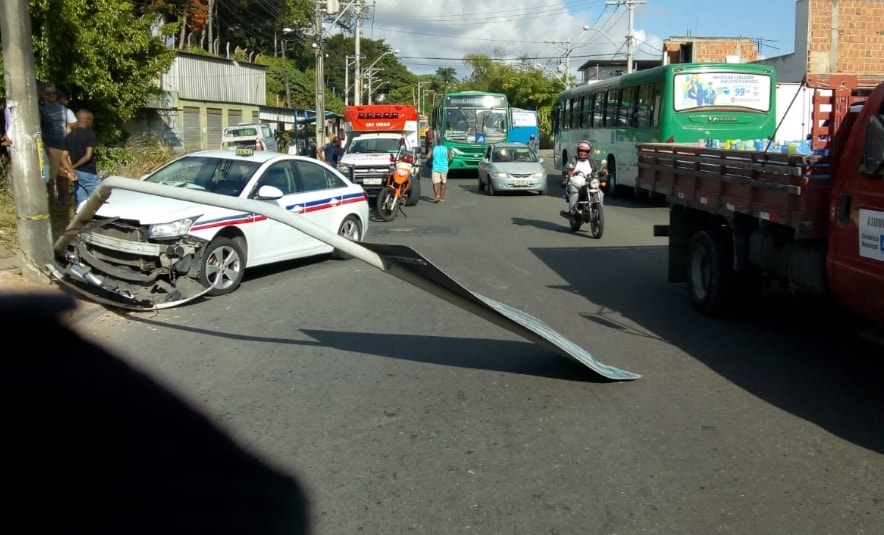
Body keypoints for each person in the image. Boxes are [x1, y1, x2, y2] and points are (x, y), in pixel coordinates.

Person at [39, 82, 69, 205]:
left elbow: (66, 126)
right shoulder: (41, 109)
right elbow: (38, 128)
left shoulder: (62, 108)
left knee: (65, 176)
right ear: (43, 94)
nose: (52, 95)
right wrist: (43, 145)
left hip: (64, 146)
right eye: (48, 93)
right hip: (51, 147)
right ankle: (52, 204)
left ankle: (65, 203)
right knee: (50, 178)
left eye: (54, 93)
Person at [62, 109, 100, 205]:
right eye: (92, 120)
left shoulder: (69, 136)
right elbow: (88, 156)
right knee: (100, 199)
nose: (92, 123)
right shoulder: (90, 134)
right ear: (87, 120)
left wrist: (71, 170)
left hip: (77, 174)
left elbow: (63, 157)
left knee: (81, 201)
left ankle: (80, 218)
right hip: (88, 173)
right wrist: (74, 166)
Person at [564, 139, 594, 215]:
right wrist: (569, 172)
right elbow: (565, 168)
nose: (582, 153)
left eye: (585, 151)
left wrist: (603, 171)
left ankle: (597, 209)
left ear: (588, 152)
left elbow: (596, 171)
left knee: (600, 193)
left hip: (587, 183)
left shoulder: (591, 162)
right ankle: (572, 212)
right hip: (574, 183)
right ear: (578, 151)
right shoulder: (574, 160)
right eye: (580, 151)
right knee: (574, 193)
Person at [427, 136, 452, 202]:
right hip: (444, 168)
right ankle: (442, 197)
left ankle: (436, 195)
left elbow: (427, 156)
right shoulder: (447, 149)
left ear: (437, 142)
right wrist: (448, 164)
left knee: (435, 182)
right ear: (443, 142)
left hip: (435, 168)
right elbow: (451, 159)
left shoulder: (434, 148)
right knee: (443, 182)